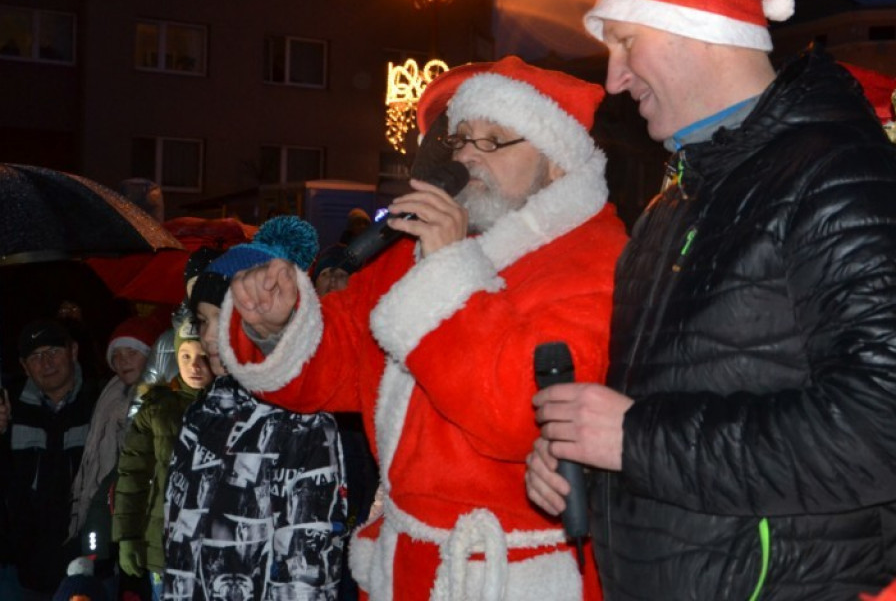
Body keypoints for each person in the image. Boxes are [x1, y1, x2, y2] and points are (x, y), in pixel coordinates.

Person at [526, 0, 896, 599]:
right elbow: (673, 415)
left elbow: (889, 432)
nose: (613, 79)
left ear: (698, 28)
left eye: (626, 43)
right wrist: (583, 456)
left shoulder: (838, 175)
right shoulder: (671, 208)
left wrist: (633, 439)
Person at [220, 56, 628, 600]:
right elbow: (335, 363)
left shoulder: (595, 260)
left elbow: (517, 416)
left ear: (555, 162)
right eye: (461, 139)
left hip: (510, 574)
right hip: (403, 564)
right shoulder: (420, 251)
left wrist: (448, 272)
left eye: (492, 141)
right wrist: (279, 321)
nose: (465, 157)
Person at [163, 215, 348, 601]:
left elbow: (307, 564)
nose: (210, 336)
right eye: (202, 320)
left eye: (223, 319)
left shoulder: (302, 419)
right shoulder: (200, 417)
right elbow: (177, 537)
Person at [0, 319, 101, 600]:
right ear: (23, 365)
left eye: (53, 351)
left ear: (74, 351)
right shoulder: (10, 407)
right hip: (24, 570)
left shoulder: (103, 401)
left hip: (88, 568)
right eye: (35, 356)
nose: (46, 363)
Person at [67, 312, 167, 590]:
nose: (123, 361)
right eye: (117, 355)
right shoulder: (110, 395)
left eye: (132, 353)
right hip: (119, 516)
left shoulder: (166, 396)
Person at [112, 333, 213, 600]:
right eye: (186, 356)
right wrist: (128, 536)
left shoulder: (233, 407)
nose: (195, 366)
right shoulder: (157, 408)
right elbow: (132, 475)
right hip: (164, 546)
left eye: (203, 356)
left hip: (216, 548)